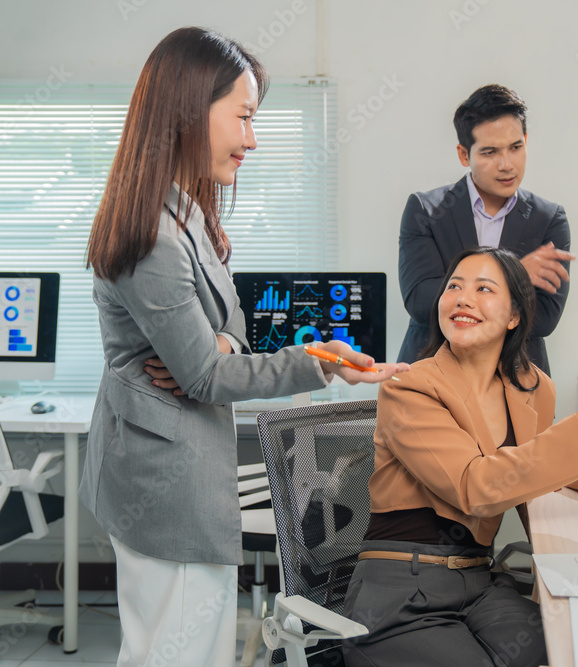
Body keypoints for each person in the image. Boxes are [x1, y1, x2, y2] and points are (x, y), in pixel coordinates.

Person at [80, 27, 408, 667]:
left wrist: (223, 344)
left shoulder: (188, 214)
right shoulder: (155, 235)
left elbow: (230, 322)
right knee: (172, 654)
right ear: (187, 109)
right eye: (244, 117)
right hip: (164, 483)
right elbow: (203, 377)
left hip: (178, 469)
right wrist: (323, 360)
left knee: (183, 647)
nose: (252, 139)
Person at [343, 247, 578, 667]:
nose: (463, 298)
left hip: (478, 581)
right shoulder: (409, 388)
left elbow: (531, 453)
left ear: (514, 316)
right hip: (400, 588)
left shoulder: (532, 385)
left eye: (483, 289)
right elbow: (476, 486)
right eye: (454, 287)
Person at [397, 84, 575, 376]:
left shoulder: (549, 219)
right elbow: (421, 301)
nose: (507, 165)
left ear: (526, 141)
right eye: (490, 152)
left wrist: (460, 297)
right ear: (464, 155)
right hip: (433, 377)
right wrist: (514, 275)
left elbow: (545, 319)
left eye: (516, 147)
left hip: (515, 380)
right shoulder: (426, 210)